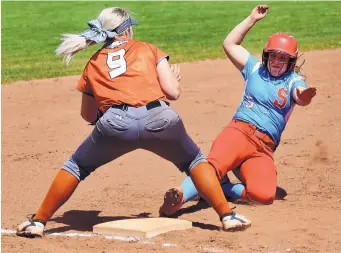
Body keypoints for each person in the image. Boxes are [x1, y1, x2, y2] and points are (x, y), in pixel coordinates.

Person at [16, 7, 251, 238]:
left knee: (76, 166)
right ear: (126, 30)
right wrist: (172, 79)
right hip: (161, 119)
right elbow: (173, 93)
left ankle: (38, 221)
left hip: (114, 125)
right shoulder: (149, 49)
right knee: (194, 161)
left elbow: (88, 116)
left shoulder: (93, 63)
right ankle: (227, 216)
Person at [159, 5, 317, 217]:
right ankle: (179, 195)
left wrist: (305, 96)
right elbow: (229, 43)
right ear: (266, 56)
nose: (277, 62)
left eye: (283, 58)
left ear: (291, 61)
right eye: (273, 56)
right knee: (212, 166)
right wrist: (252, 19)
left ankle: (221, 187)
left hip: (264, 148)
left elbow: (300, 94)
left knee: (264, 195)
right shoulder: (254, 68)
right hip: (240, 131)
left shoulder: (294, 80)